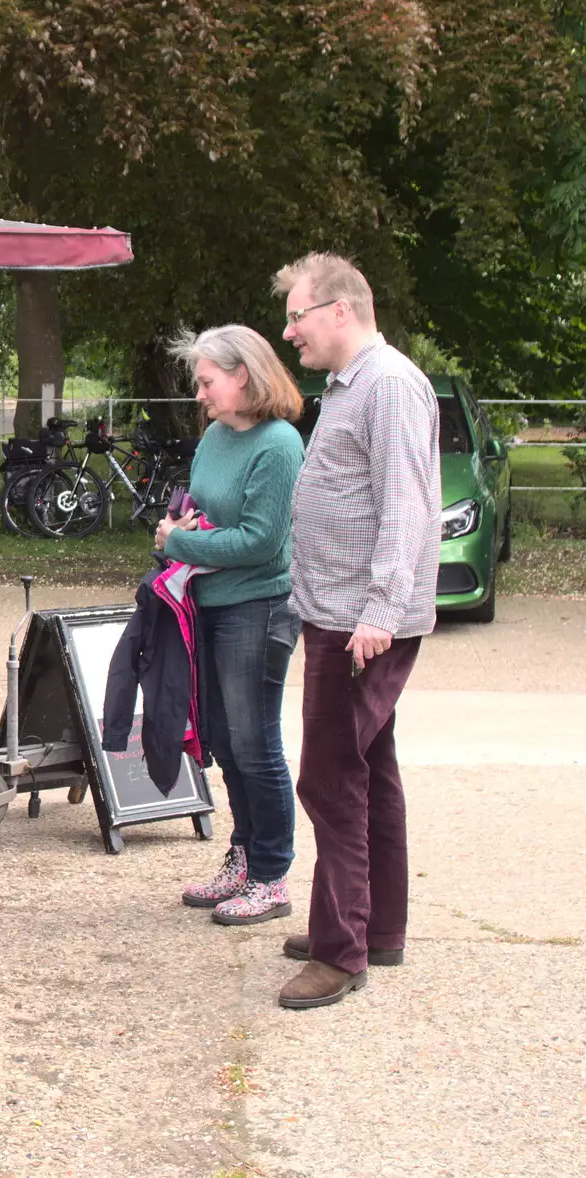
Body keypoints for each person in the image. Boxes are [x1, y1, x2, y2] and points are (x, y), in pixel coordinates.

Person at [272, 252, 440, 1009]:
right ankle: (376, 926)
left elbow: (404, 507)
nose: (289, 330)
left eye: (297, 315)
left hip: (358, 624)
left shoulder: (391, 384)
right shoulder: (349, 387)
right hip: (339, 614)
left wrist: (379, 609)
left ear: (339, 310)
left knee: (330, 776)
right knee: (372, 768)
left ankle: (342, 951)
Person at [155, 325, 306, 927]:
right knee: (225, 739)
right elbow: (204, 512)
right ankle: (242, 859)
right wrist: (182, 526)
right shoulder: (215, 437)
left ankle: (271, 875)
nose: (200, 393)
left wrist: (183, 541)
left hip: (260, 606)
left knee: (255, 741)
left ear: (243, 375)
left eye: (207, 381)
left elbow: (264, 542)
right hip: (210, 604)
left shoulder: (280, 445)